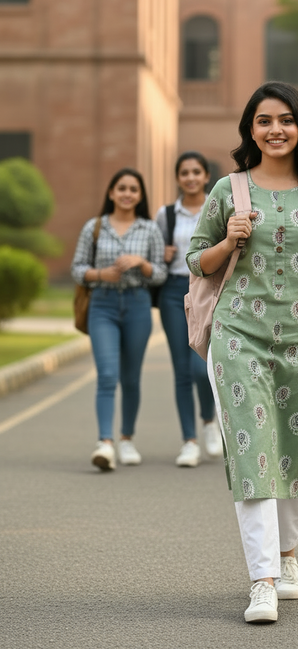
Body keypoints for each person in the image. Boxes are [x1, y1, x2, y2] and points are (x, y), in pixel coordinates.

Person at [186, 81, 298, 624]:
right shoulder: (228, 190)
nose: (275, 129)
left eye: (285, 120)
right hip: (240, 336)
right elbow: (198, 260)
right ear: (250, 130)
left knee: (293, 448)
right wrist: (229, 239)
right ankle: (261, 579)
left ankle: (288, 558)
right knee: (251, 448)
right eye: (263, 121)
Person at [71, 168, 167, 471]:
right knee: (107, 374)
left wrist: (142, 263)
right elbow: (77, 268)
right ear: (111, 193)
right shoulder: (94, 227)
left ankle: (126, 439)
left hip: (138, 306)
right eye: (122, 188)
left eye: (133, 190)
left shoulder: (150, 229)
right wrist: (101, 274)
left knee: (131, 378)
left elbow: (161, 275)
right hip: (103, 305)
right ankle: (105, 443)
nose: (127, 194)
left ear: (140, 196)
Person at [156, 152, 223, 467]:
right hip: (174, 289)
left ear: (206, 175)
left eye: (197, 171)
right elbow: (155, 255)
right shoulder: (166, 214)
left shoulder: (219, 206)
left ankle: (209, 420)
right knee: (182, 369)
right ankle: (189, 441)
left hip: (208, 289)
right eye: (185, 172)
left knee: (202, 365)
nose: (191, 177)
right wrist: (164, 255)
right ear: (178, 178)